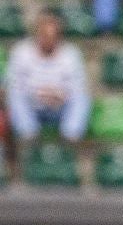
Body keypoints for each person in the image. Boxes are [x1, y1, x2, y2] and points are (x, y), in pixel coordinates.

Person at [5, 8, 91, 144]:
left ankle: (70, 136)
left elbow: (77, 86)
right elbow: (14, 84)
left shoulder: (71, 54)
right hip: (32, 106)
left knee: (82, 98)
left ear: (59, 36)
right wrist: (38, 93)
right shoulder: (21, 51)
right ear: (37, 33)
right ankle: (28, 135)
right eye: (44, 35)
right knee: (15, 97)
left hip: (60, 106)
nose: (48, 39)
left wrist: (59, 95)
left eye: (52, 35)